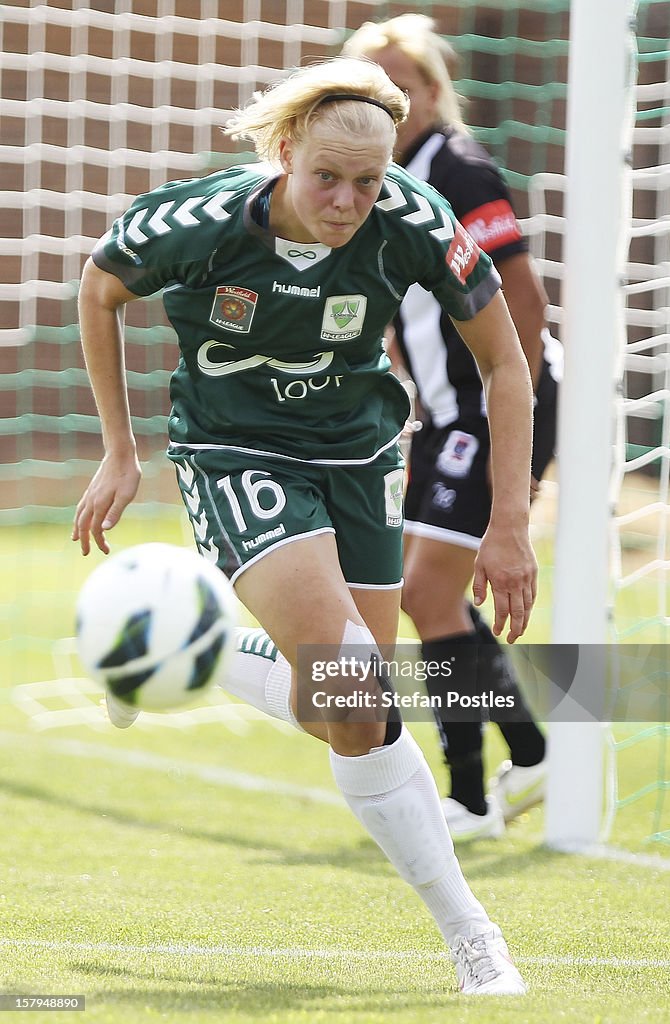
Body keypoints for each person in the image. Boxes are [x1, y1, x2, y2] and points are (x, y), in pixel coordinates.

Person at [72, 55, 536, 996]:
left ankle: (169, 647)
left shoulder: (412, 220)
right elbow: (99, 289)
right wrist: (120, 449)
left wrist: (510, 525)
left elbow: (508, 366)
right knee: (362, 691)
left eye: (366, 182)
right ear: (284, 152)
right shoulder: (197, 224)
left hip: (360, 457)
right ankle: (474, 939)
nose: (345, 201)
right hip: (233, 451)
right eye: (326, 176)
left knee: (343, 719)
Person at [344, 16, 561, 840]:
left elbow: (524, 301)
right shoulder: (382, 181)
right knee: (420, 592)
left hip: (492, 408)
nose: (386, 105)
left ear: (433, 95)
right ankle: (528, 756)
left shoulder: (456, 169)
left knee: (424, 592)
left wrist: (515, 425)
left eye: (400, 89)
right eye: (370, 91)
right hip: (446, 415)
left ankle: (472, 798)